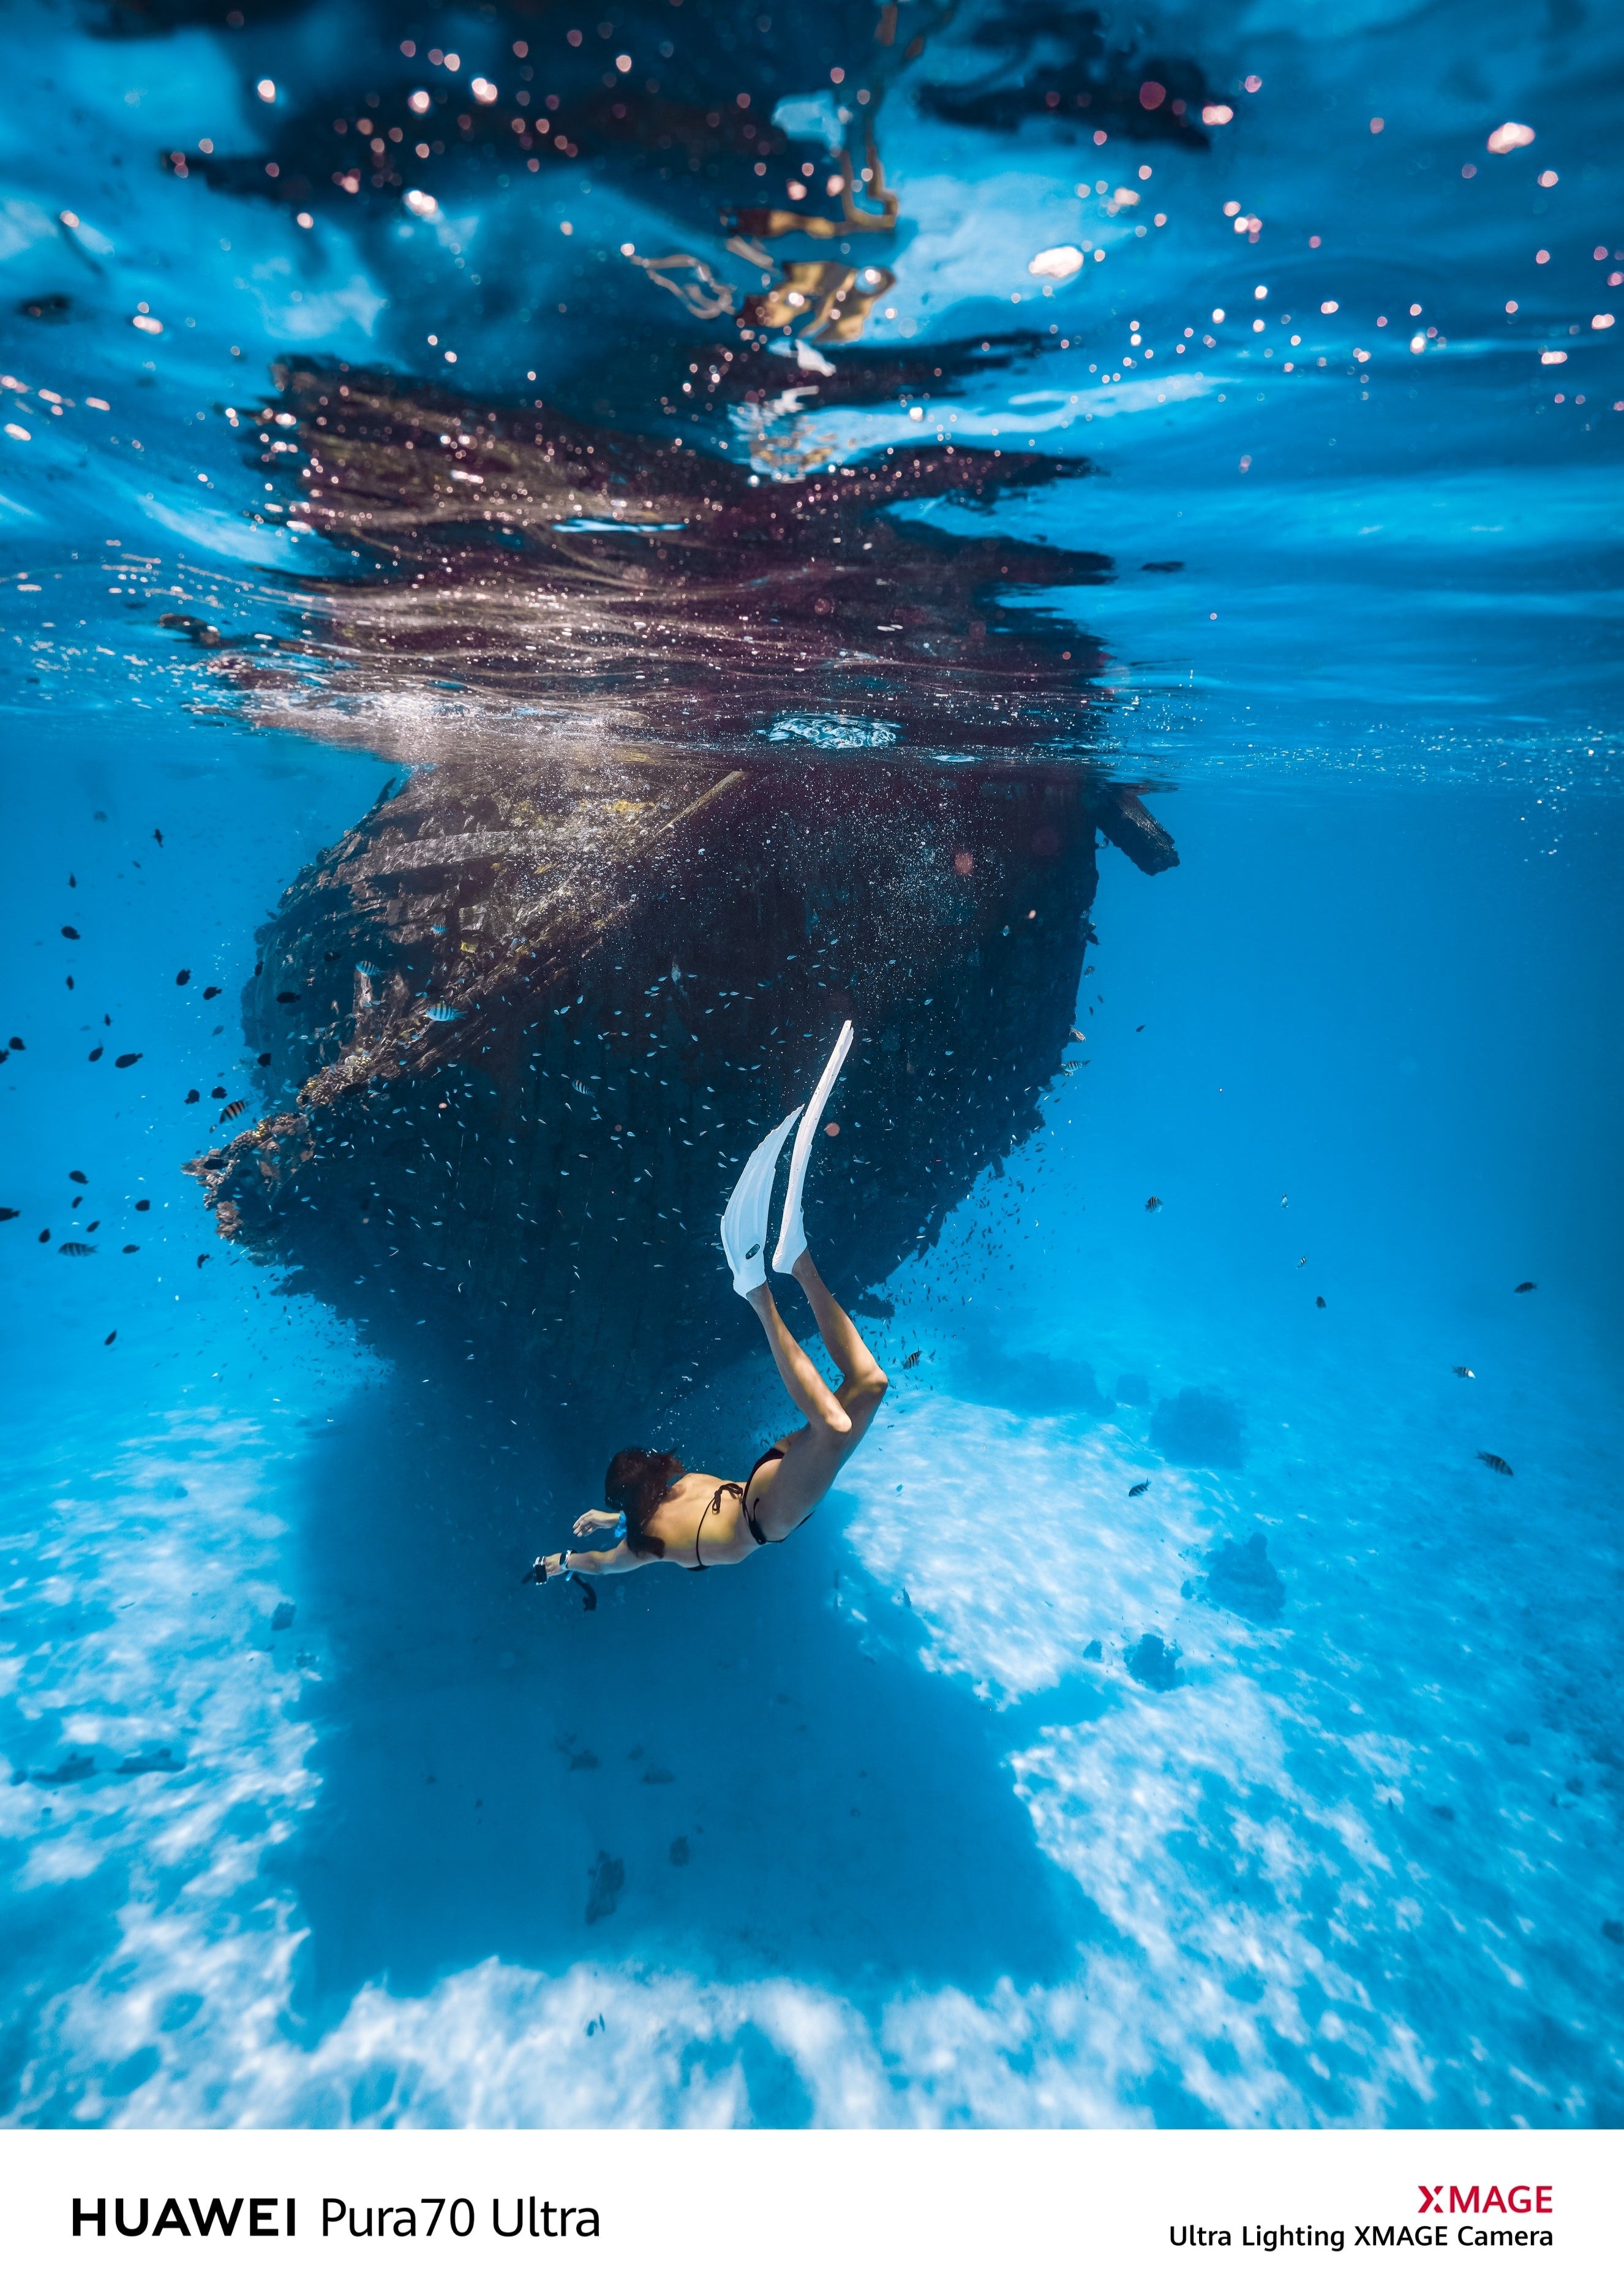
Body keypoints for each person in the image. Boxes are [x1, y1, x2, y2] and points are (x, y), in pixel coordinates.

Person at [527, 1023, 887, 1584]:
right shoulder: (651, 1533)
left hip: (768, 1509)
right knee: (871, 1385)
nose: (657, 1462)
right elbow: (601, 1560)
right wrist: (563, 1559)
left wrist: (592, 1535)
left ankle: (761, 1294)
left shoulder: (651, 1528)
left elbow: (608, 1556)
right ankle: (797, 1261)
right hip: (759, 1495)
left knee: (836, 1427)